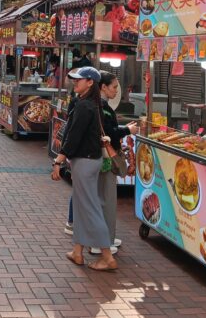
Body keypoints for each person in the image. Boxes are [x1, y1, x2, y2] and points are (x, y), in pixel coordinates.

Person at [50, 66, 116, 271]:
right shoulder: (90, 104)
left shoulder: (85, 106)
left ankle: (107, 256)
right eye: (75, 79)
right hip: (88, 160)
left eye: (80, 80)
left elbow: (73, 137)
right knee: (81, 205)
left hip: (85, 162)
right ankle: (77, 251)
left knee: (90, 208)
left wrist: (58, 162)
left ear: (90, 83)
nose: (75, 82)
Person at [90, 71, 139, 254]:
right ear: (103, 87)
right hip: (105, 159)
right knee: (107, 200)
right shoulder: (101, 107)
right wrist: (127, 130)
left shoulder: (96, 105)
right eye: (114, 87)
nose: (116, 91)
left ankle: (106, 238)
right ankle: (102, 243)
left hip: (99, 158)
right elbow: (109, 133)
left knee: (104, 199)